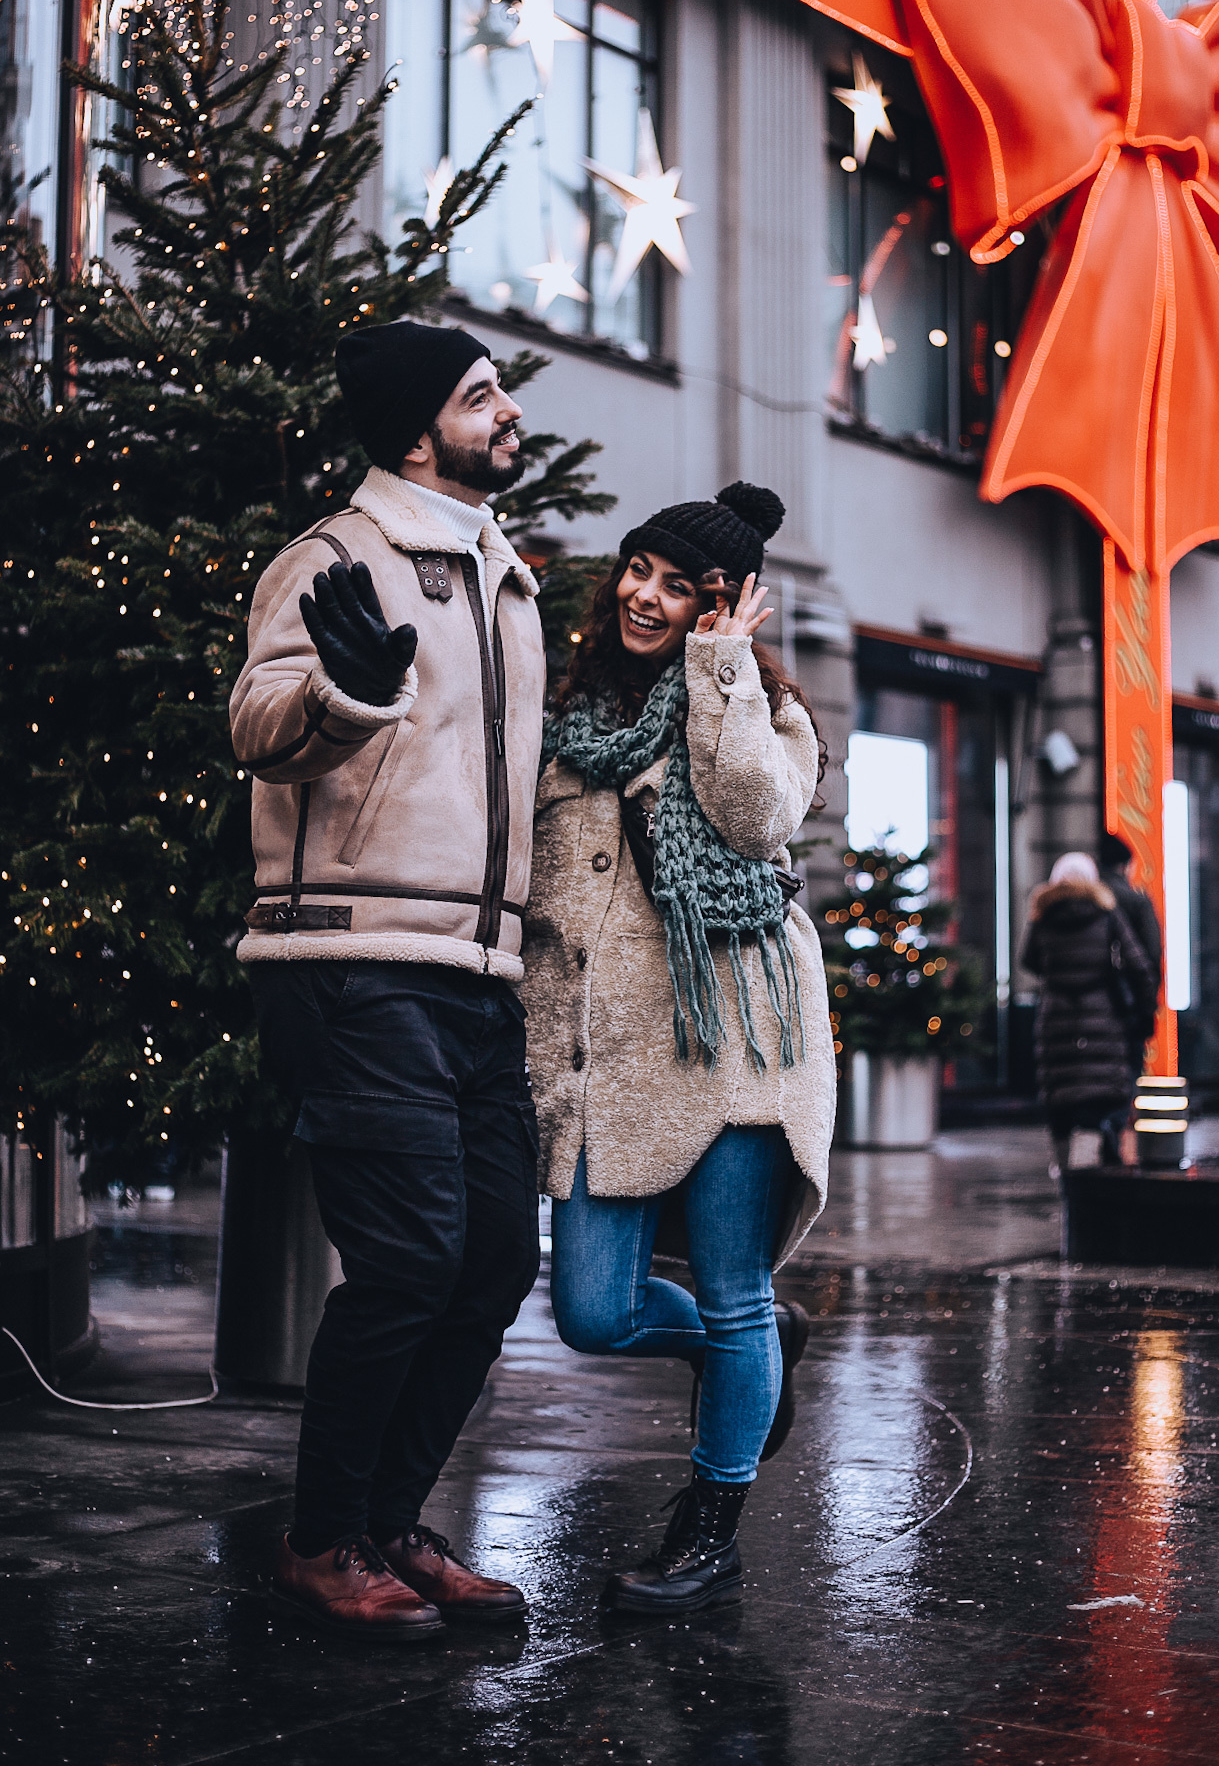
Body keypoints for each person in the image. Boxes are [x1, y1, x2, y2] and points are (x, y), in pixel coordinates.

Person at [230, 320, 545, 1642]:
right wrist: (349, 692)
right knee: (414, 1251)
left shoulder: (507, 572)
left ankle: (393, 1525)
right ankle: (318, 1541)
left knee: (489, 1266)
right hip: (352, 956)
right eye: (485, 397)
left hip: (477, 969)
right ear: (421, 430)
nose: (510, 413)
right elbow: (256, 720)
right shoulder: (330, 558)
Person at [524, 482, 836, 1616]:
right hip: (609, 1064)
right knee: (594, 1314)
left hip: (739, 1048)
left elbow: (754, 817)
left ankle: (709, 1533)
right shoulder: (567, 725)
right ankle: (742, 1350)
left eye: (678, 584)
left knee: (734, 1291)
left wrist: (719, 671)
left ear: (725, 602)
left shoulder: (765, 712)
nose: (644, 597)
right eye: (638, 571)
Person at [1020, 851, 1158, 1176]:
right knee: (1107, 1083)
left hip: (1056, 1014)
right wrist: (1144, 1012)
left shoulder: (1044, 915)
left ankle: (1064, 1162)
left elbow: (1028, 959)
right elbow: (1140, 966)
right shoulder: (1106, 914)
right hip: (1103, 1012)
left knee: (1060, 1087)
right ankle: (1103, 1139)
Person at [1098, 830, 1163, 1075]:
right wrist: (1148, 1010)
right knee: (1129, 1073)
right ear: (1125, 865)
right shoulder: (1136, 902)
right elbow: (1151, 956)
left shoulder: (1086, 900)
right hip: (1128, 1004)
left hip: (1092, 1009)